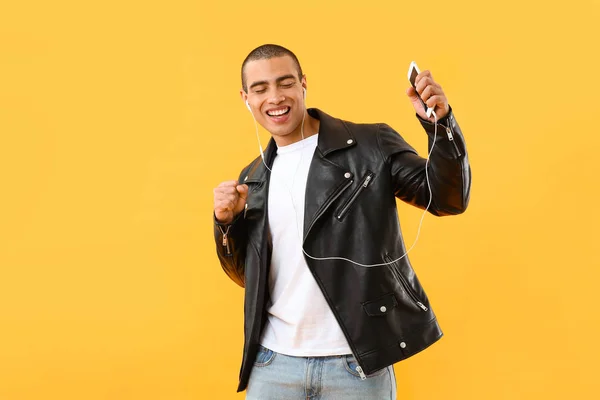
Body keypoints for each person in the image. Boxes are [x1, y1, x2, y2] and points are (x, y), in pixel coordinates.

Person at [212, 44, 471, 399]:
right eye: (260, 88)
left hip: (356, 367)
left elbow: (447, 199)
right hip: (273, 365)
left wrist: (440, 125)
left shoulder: (369, 144)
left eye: (285, 83)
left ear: (303, 84)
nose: (274, 97)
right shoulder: (254, 177)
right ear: (246, 98)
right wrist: (226, 223)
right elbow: (249, 277)